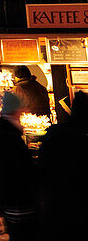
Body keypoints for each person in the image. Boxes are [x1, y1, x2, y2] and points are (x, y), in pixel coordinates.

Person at [0, 92, 37, 240]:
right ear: (15, 109)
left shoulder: (1, 134)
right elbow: (20, 172)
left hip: (7, 202)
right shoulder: (11, 137)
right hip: (19, 202)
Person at [38, 91, 88, 239]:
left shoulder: (55, 134)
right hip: (79, 206)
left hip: (55, 203)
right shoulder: (83, 137)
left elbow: (42, 169)